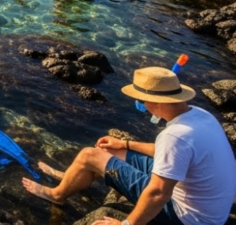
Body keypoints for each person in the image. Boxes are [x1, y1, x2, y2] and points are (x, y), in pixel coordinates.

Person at [22, 66, 236, 225]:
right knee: (109, 150)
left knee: (90, 155)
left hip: (189, 218)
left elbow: (158, 194)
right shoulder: (199, 115)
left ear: (156, 102)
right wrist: (124, 143)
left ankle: (57, 195)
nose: (141, 105)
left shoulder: (175, 136)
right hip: (210, 208)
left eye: (142, 100)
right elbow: (167, 154)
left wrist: (126, 224)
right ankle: (71, 178)